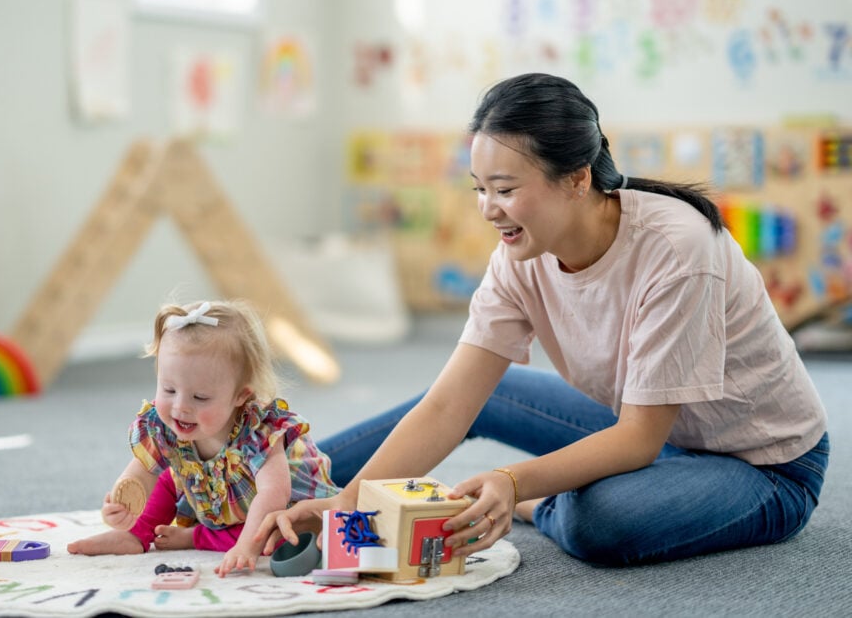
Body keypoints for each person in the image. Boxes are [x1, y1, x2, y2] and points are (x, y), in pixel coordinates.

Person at [255, 73, 829, 566]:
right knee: (490, 393)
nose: (488, 209)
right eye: (480, 189)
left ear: (578, 178)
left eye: (504, 189)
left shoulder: (677, 251)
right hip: (660, 435)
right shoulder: (519, 256)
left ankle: (537, 507)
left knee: (599, 524)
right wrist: (348, 502)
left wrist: (513, 484)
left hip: (764, 466)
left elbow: (637, 440)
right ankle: (266, 486)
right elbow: (450, 403)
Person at [67, 299, 338, 576]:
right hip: (221, 501)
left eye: (200, 397)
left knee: (276, 536)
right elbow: (140, 474)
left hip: (277, 509)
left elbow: (273, 496)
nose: (180, 406)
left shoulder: (258, 432)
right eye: (169, 389)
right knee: (167, 475)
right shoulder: (164, 426)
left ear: (240, 396)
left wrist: (246, 547)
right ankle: (136, 536)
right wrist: (121, 506)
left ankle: (197, 537)